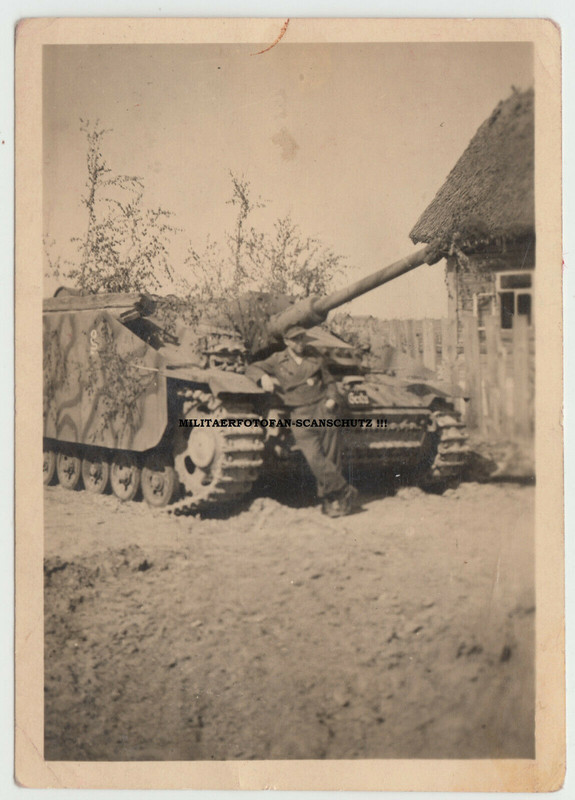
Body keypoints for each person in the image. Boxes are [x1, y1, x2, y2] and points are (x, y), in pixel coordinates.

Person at [246, 325, 360, 517]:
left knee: (331, 457)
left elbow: (330, 382)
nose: (300, 343)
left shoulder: (314, 356)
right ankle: (344, 490)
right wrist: (263, 377)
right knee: (314, 457)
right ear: (287, 342)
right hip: (299, 412)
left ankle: (330, 500)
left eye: (302, 338)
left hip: (322, 409)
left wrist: (332, 399)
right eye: (295, 339)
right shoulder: (278, 359)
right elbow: (252, 367)